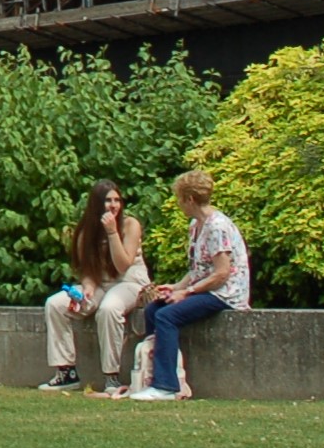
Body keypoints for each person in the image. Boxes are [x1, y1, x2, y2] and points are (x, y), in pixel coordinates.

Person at [129, 171, 250, 401]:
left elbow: (222, 273)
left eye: (180, 199)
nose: (179, 204)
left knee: (167, 316)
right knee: (155, 309)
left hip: (226, 294)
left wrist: (187, 292)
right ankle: (159, 373)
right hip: (208, 287)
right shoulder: (196, 225)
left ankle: (165, 386)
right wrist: (176, 288)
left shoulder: (217, 227)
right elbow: (198, 270)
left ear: (190, 199)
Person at [38, 180, 149, 396]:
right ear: (97, 204)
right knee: (55, 304)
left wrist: (112, 233)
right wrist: (87, 288)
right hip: (100, 284)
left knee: (109, 308)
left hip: (130, 283)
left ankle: (112, 377)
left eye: (117, 200)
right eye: (108, 200)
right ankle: (66, 372)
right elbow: (87, 271)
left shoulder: (130, 225)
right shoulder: (85, 232)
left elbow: (122, 264)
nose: (114, 205)